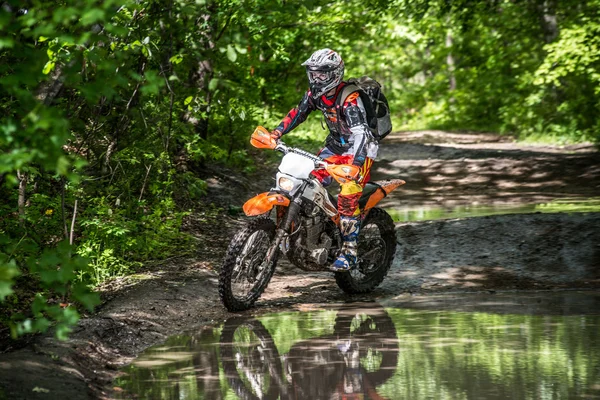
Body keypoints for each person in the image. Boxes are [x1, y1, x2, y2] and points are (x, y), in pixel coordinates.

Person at [270, 48, 379, 272]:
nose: (316, 78)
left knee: (348, 196)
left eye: (321, 74)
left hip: (360, 150)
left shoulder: (350, 98)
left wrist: (355, 166)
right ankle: (314, 229)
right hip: (335, 146)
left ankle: (349, 250)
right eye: (313, 73)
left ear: (335, 74)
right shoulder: (315, 94)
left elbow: (361, 134)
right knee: (305, 181)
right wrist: (276, 133)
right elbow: (298, 112)